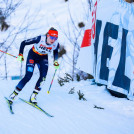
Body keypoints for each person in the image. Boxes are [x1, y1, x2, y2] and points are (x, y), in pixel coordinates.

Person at [8, 27, 60, 105]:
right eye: (52, 37)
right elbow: (23, 42)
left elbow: (55, 52)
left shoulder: (56, 44)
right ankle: (14, 94)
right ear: (48, 35)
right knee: (28, 76)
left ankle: (33, 96)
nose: (53, 40)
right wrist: (20, 54)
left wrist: (55, 61)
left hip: (43, 58)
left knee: (43, 78)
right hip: (32, 55)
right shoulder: (40, 39)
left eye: (55, 38)